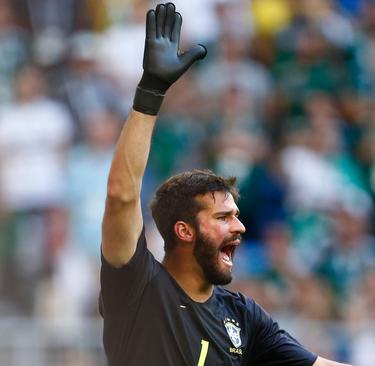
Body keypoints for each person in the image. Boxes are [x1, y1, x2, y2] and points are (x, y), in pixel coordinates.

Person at [99, 3, 350, 365]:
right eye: (223, 218)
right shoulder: (138, 287)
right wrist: (151, 91)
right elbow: (122, 195)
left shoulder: (243, 316)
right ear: (184, 230)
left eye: (235, 215)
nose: (240, 226)